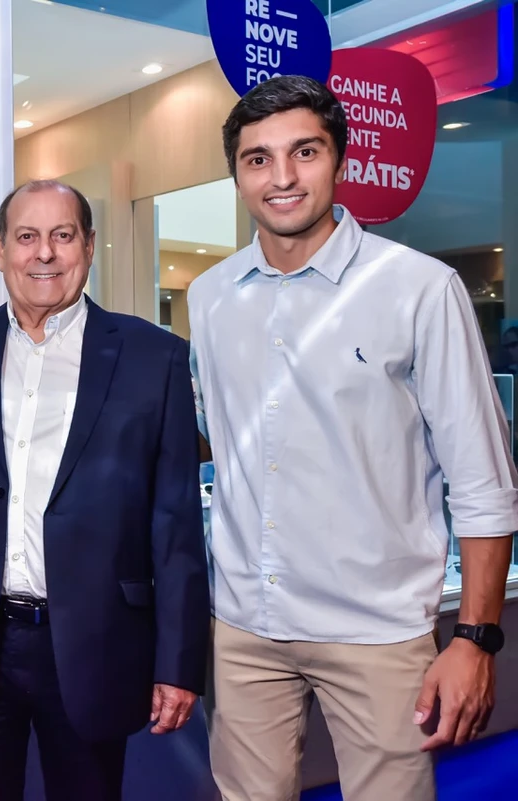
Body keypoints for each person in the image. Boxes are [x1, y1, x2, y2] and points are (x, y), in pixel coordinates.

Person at [189, 75, 517, 801]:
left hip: (376, 630)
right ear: (237, 174)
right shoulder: (210, 297)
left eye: (303, 151)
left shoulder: (420, 288)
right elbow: (226, 440)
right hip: (245, 627)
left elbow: (483, 480)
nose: (281, 177)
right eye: (257, 158)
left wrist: (475, 638)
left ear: (338, 159)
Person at [0, 179, 209, 801]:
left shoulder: (156, 357)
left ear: (88, 246)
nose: (44, 253)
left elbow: (174, 521)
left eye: (62, 235)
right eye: (27, 237)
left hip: (96, 642)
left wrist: (178, 663)